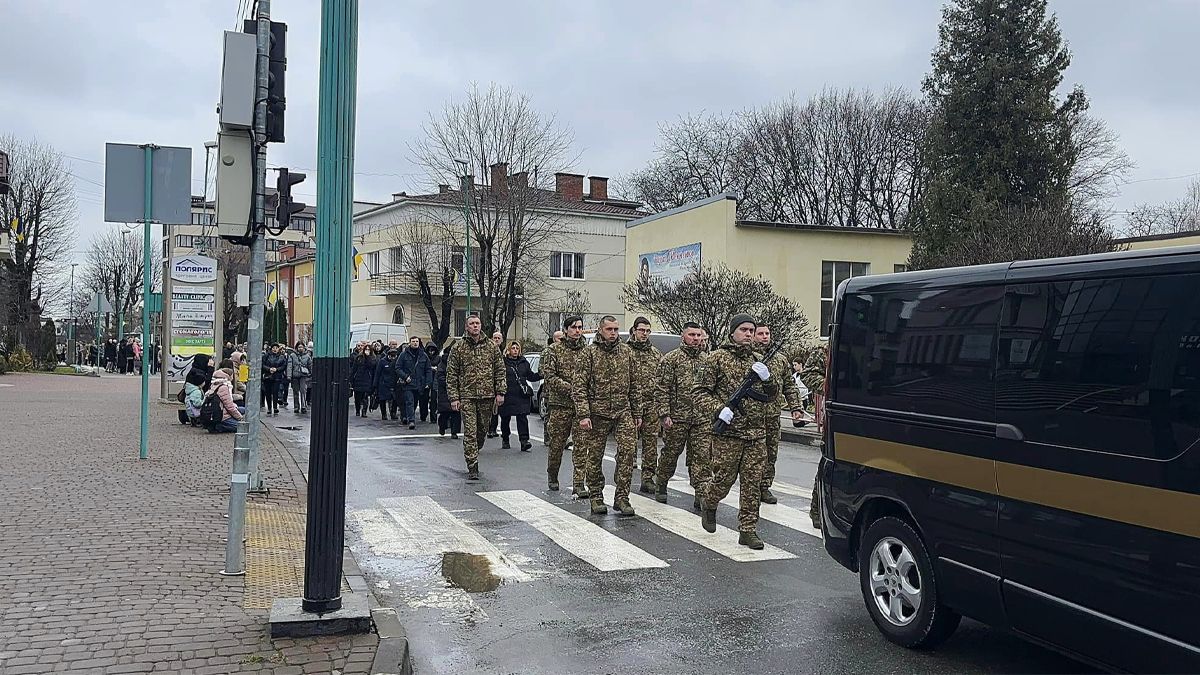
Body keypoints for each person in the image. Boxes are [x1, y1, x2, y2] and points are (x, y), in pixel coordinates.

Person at [694, 313, 779, 550]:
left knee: (752, 484)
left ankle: (748, 530)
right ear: (732, 332)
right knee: (723, 480)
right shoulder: (716, 359)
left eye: (752, 330)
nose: (749, 334)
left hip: (756, 434)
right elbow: (699, 392)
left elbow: (772, 395)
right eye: (743, 330)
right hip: (728, 435)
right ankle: (709, 503)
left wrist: (768, 378)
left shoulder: (759, 360)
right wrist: (719, 409)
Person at [572, 315, 641, 517]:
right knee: (594, 458)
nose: (613, 333)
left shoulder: (627, 353)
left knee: (628, 454)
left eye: (616, 329)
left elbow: (635, 385)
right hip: (597, 413)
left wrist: (637, 412)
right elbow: (579, 387)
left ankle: (622, 497)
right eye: (609, 329)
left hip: (622, 412)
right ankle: (596, 496)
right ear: (600, 330)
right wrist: (584, 414)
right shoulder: (589, 353)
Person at [654, 322, 711, 508]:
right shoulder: (671, 359)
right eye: (692, 335)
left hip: (701, 419)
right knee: (671, 454)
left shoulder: (707, 359)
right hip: (677, 418)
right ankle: (661, 483)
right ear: (683, 336)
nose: (695, 339)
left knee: (702, 457)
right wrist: (664, 414)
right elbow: (662, 389)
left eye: (698, 335)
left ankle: (701, 493)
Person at [446, 316, 506, 480]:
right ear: (466, 326)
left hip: (487, 397)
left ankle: (474, 448)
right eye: (472, 323)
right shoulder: (458, 348)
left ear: (481, 326)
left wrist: (500, 392)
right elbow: (451, 374)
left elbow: (499, 371)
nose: (475, 326)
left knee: (482, 431)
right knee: (471, 432)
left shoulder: (491, 347)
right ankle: (472, 465)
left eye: (477, 323)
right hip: (467, 397)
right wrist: (454, 397)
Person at [754, 324, 804, 505]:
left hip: (773, 415)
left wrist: (796, 407)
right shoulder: (747, 358)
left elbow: (789, 386)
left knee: (771, 453)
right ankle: (750, 488)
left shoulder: (780, 360)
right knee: (752, 456)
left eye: (767, 333)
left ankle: (764, 487)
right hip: (751, 418)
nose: (765, 336)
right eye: (760, 333)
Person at [541, 315, 588, 493]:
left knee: (581, 446)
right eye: (574, 327)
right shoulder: (554, 350)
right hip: (560, 405)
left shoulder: (588, 351)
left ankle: (578, 483)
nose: (578, 330)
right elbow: (550, 376)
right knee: (557, 445)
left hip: (581, 407)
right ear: (567, 329)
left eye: (580, 327)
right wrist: (572, 388)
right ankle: (553, 474)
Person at [627, 317, 663, 494]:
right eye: (641, 330)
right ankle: (624, 479)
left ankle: (648, 478)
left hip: (651, 404)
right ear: (634, 330)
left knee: (651, 444)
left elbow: (662, 380)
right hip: (629, 404)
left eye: (648, 331)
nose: (645, 334)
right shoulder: (624, 351)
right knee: (628, 444)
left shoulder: (655, 353)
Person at [800, 344, 827, 530]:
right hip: (837, 412)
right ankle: (817, 510)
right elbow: (808, 374)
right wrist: (830, 385)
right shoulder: (826, 350)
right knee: (828, 462)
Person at [498, 341, 543, 452]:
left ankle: (524, 441)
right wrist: (499, 392)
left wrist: (541, 374)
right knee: (505, 418)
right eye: (513, 348)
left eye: (517, 348)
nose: (515, 350)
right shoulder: (503, 362)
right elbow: (498, 377)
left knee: (522, 418)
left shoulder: (524, 362)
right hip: (507, 393)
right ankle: (505, 438)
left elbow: (530, 376)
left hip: (521, 394)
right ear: (508, 350)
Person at [397, 337, 432, 430]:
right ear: (410, 343)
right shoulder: (404, 355)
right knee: (409, 401)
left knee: (415, 402)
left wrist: (428, 382)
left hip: (419, 384)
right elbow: (398, 368)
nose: (415, 343)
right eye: (413, 341)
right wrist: (405, 377)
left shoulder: (423, 355)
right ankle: (411, 420)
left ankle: (409, 416)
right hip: (408, 384)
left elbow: (428, 369)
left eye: (416, 341)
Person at [206, 365, 245, 433]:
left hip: (219, 411)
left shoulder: (215, 384)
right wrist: (240, 418)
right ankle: (219, 426)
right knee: (241, 427)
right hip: (222, 415)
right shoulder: (224, 387)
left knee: (242, 410)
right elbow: (229, 407)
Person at [436, 342, 460, 439]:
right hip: (445, 391)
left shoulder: (460, 362)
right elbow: (440, 376)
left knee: (456, 413)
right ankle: (442, 426)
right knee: (445, 413)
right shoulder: (443, 363)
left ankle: (454, 432)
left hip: (458, 390)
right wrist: (450, 383)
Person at [374, 348, 401, 421]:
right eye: (392, 356)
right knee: (382, 399)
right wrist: (375, 384)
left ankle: (393, 413)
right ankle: (384, 414)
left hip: (394, 383)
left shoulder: (397, 362)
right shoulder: (382, 362)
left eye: (395, 356)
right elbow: (378, 373)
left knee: (395, 399)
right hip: (383, 383)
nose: (393, 358)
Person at [350, 341, 377, 417]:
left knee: (365, 397)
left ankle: (364, 411)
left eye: (369, 349)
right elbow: (354, 368)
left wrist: (368, 357)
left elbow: (371, 366)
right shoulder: (359, 358)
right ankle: (358, 410)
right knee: (357, 397)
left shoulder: (372, 358)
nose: (367, 351)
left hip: (367, 379)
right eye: (366, 349)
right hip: (358, 379)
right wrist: (351, 379)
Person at [486, 331, 504, 438]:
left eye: (498, 338)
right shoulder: (488, 351)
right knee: (490, 408)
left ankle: (494, 428)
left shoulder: (504, 352)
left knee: (497, 409)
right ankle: (490, 428)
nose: (496, 340)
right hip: (489, 384)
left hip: (500, 383)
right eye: (495, 338)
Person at [261, 343, 287, 416]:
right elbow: (262, 364)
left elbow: (284, 366)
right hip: (267, 376)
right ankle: (269, 407)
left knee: (275, 392)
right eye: (273, 348)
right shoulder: (266, 356)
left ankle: (275, 407)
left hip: (277, 376)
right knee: (268, 393)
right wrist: (269, 369)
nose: (275, 349)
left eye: (276, 348)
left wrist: (277, 369)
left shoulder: (281, 357)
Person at [288, 341, 313, 414]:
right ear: (296, 348)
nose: (300, 348)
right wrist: (289, 376)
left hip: (303, 375)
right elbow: (289, 366)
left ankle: (303, 406)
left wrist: (310, 374)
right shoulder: (292, 356)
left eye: (302, 347)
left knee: (303, 391)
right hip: (295, 376)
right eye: (299, 347)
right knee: (295, 391)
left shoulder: (307, 356)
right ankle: (296, 406)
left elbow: (310, 365)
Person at [422, 342, 441, 423]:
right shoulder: (424, 357)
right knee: (424, 400)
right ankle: (423, 415)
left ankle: (433, 418)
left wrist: (436, 369)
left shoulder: (438, 358)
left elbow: (441, 368)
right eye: (429, 350)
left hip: (435, 380)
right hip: (426, 380)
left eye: (432, 350)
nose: (431, 352)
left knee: (434, 401)